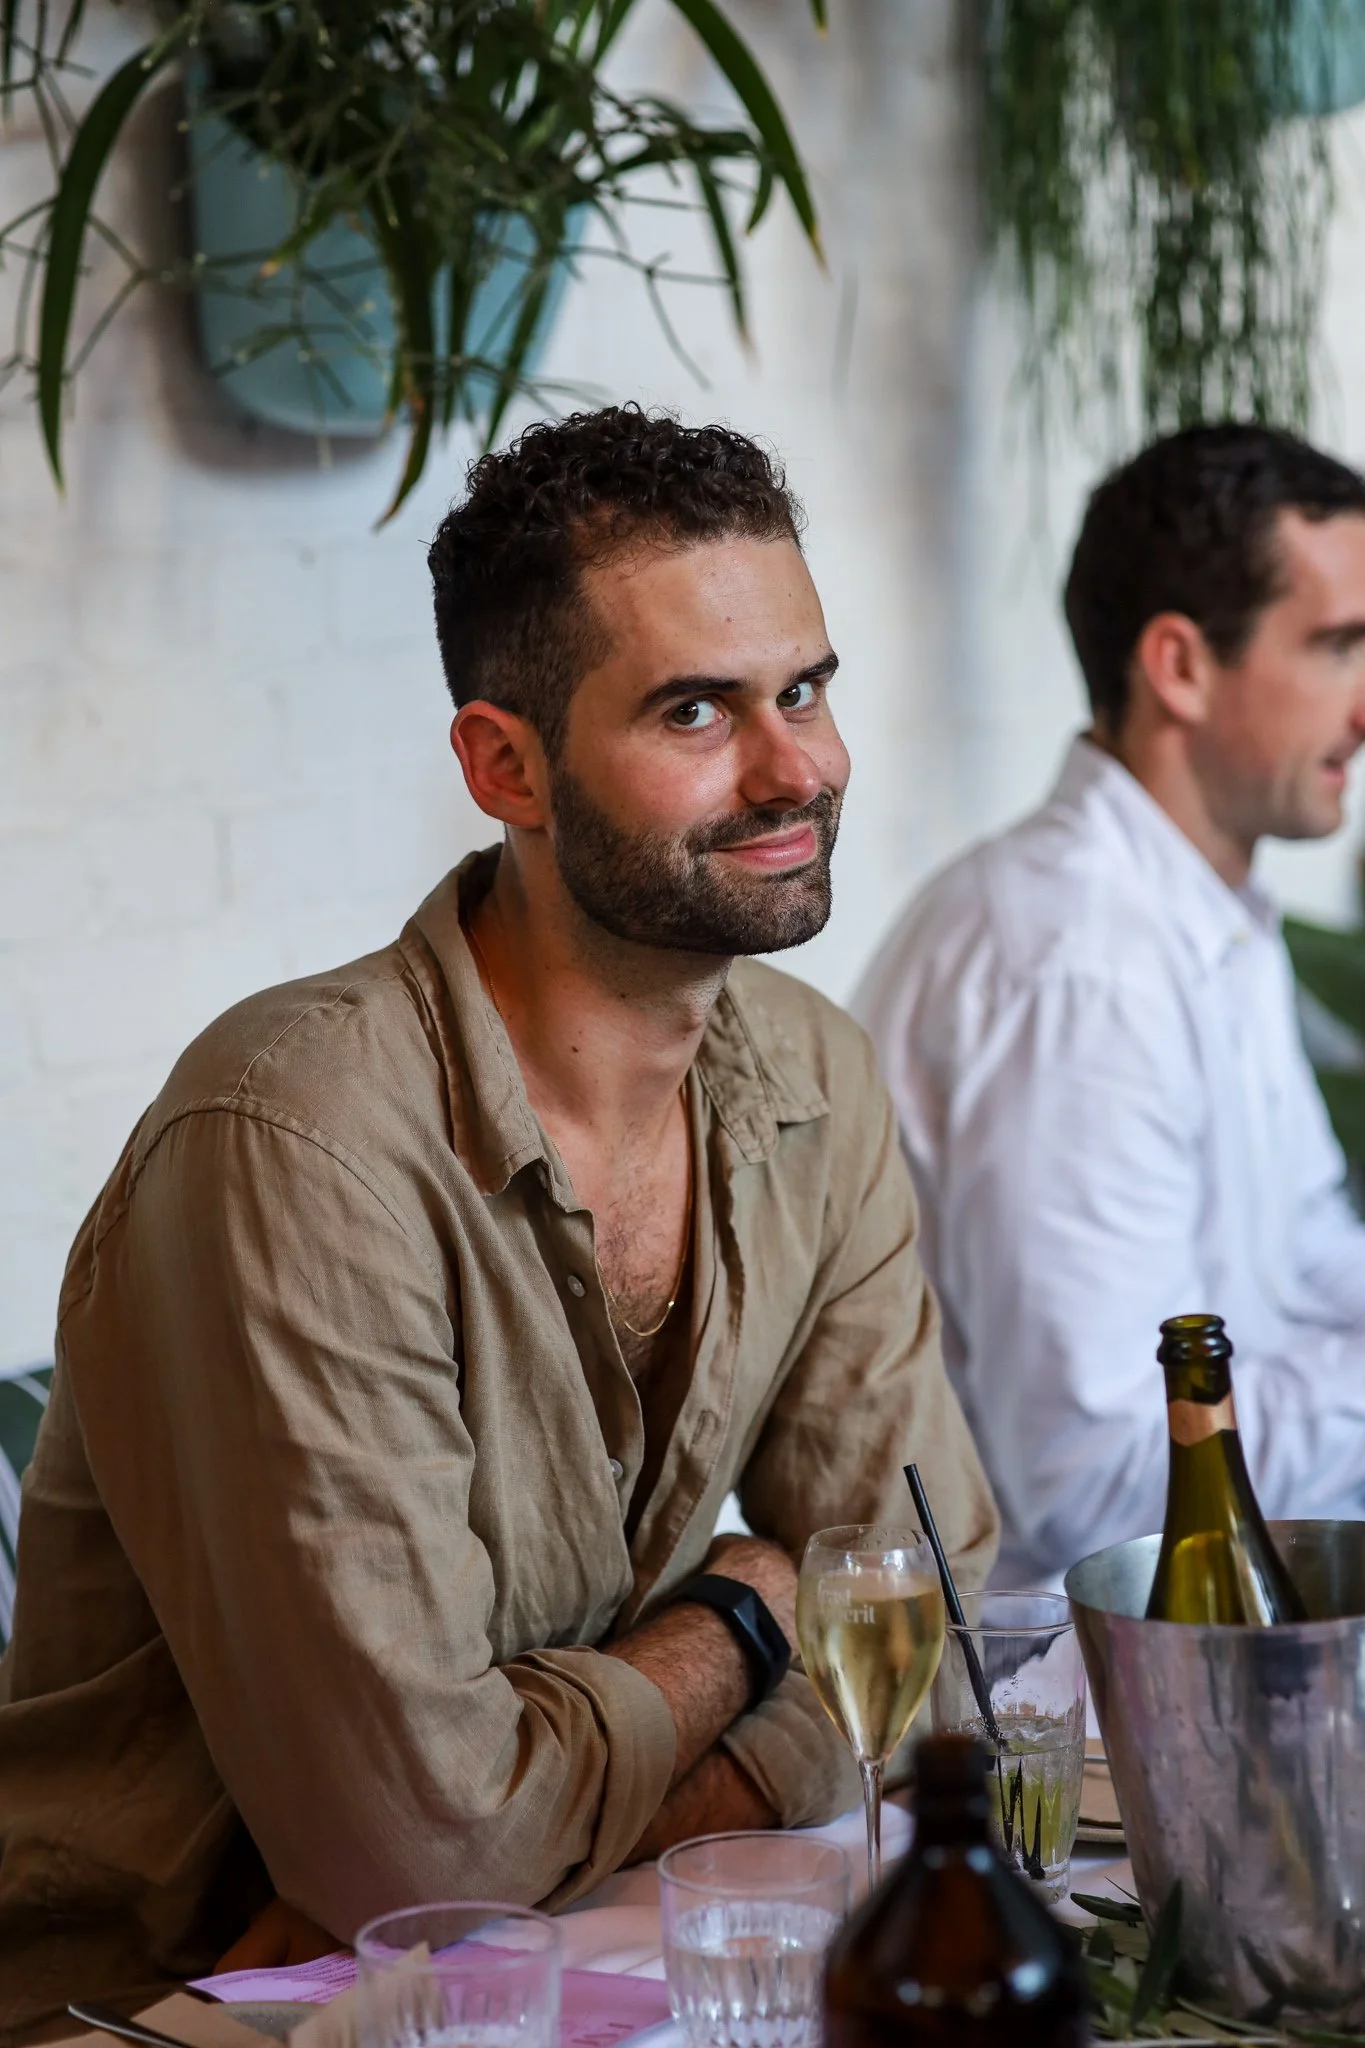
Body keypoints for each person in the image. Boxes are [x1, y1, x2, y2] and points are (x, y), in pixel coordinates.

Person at [0, 406, 997, 2039]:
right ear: (503, 766)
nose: (796, 770)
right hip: (192, 2005)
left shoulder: (814, 1073)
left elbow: (931, 1623)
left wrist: (577, 1813)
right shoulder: (294, 1144)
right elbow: (421, 1853)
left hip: (545, 1964)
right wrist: (749, 1610)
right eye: (697, 710)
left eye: (806, 690)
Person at [855, 424, 1365, 1591]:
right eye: (1338, 646)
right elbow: (1099, 1478)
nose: (1363, 707)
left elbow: (1302, 1258)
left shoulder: (1200, 908)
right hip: (1061, 1670)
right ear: (1180, 665)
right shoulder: (1077, 966)